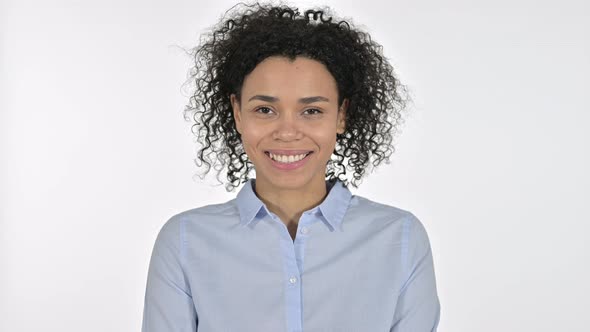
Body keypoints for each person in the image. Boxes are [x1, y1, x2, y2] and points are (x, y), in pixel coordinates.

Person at [141, 2, 440, 331]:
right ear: (237, 112)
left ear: (341, 115)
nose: (286, 132)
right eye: (265, 110)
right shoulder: (185, 242)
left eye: (311, 111)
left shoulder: (400, 240)